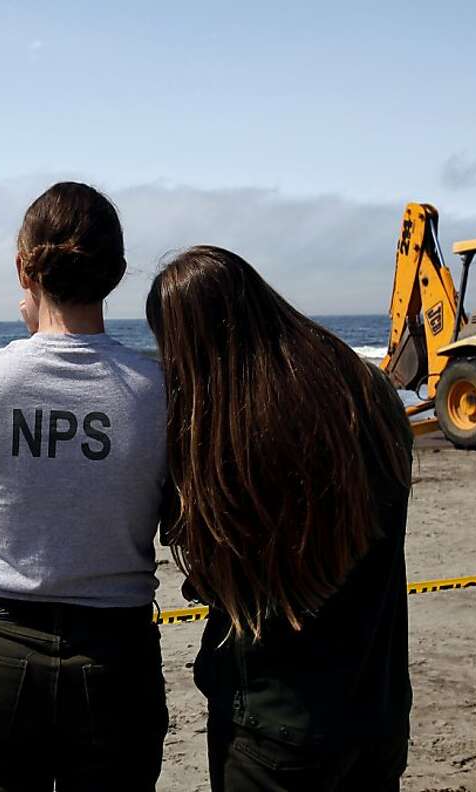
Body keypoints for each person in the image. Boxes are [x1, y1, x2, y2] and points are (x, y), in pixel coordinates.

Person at [146, 246, 414, 791]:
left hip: (277, 716)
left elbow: (215, 576)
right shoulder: (366, 393)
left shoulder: (236, 440)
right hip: (377, 705)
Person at [0, 182, 169, 791]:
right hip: (115, 654)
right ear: (116, 276)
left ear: (23, 269)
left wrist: (35, 326)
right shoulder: (162, 388)